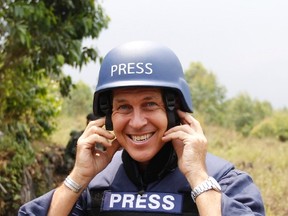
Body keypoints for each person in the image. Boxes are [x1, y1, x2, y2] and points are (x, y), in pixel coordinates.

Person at [19, 41, 265, 215]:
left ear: (174, 111)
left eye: (149, 104)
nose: (137, 122)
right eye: (123, 107)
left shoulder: (225, 181)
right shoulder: (94, 183)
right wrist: (78, 178)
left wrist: (198, 178)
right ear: (108, 117)